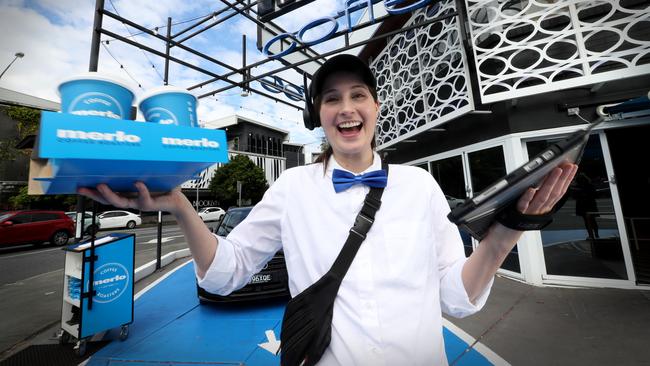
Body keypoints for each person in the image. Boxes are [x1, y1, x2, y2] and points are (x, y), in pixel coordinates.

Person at [78, 54, 578, 365]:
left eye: (359, 95)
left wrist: (503, 236)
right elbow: (223, 274)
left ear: (377, 107)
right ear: (317, 117)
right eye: (332, 99)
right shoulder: (292, 187)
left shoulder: (420, 186)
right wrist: (182, 204)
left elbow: (454, 297)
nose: (347, 108)